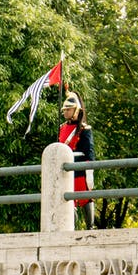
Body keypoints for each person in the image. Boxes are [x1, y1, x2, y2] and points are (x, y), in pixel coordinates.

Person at [58, 91, 95, 229]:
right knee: (67, 200)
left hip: (79, 168)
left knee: (85, 198)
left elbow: (89, 153)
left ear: (76, 111)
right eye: (64, 110)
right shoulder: (61, 128)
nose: (65, 112)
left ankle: (90, 227)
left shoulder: (84, 129)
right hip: (64, 168)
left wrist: (89, 171)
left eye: (68, 109)